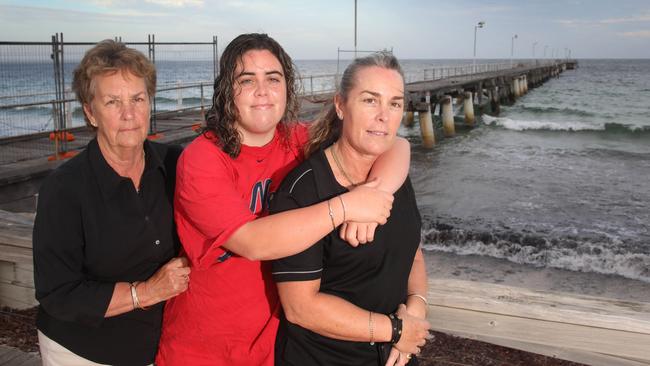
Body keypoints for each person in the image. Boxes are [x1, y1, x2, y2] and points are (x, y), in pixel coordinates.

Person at [156, 33, 412, 365]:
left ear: (287, 87)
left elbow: (393, 143)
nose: (262, 91)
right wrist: (348, 206)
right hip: (203, 348)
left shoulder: (295, 140)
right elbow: (252, 242)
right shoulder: (203, 159)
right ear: (226, 91)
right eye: (247, 80)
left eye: (273, 79)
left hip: (273, 346)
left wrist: (375, 194)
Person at [33, 40, 190, 366]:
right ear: (90, 112)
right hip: (84, 352)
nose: (129, 114)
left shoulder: (177, 164)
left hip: (164, 345)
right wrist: (146, 292)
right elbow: (57, 294)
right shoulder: (63, 189)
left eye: (137, 98)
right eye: (113, 102)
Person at [271, 53, 430, 366]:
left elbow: (412, 253)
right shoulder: (303, 191)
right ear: (341, 106)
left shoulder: (394, 176)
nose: (384, 116)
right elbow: (301, 307)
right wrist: (396, 330)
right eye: (370, 101)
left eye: (395, 103)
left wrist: (417, 307)